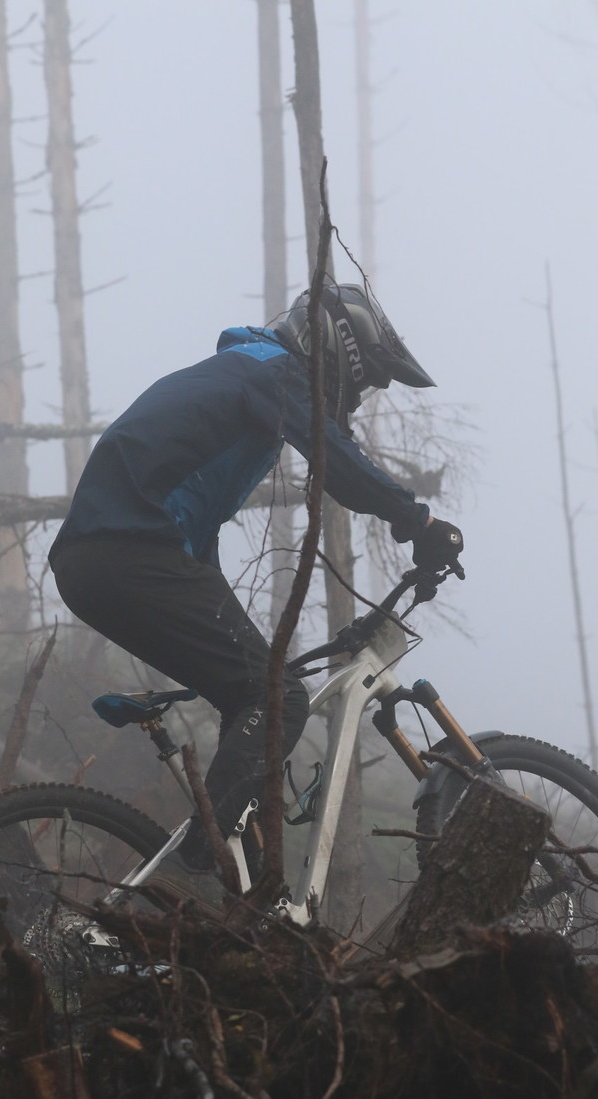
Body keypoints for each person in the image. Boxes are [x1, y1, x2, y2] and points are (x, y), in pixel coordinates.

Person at [49, 280, 463, 913]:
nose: (360, 397)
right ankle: (195, 868)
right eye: (366, 382)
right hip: (125, 551)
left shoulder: (241, 378)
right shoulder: (269, 371)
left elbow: (197, 535)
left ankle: (236, 894)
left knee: (262, 695)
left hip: (109, 557)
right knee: (276, 698)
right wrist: (418, 521)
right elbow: (337, 459)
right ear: (338, 351)